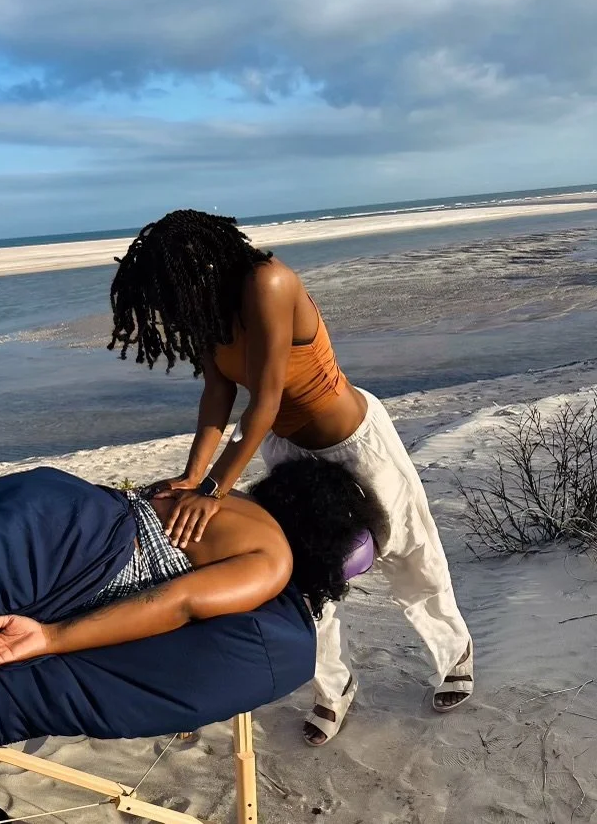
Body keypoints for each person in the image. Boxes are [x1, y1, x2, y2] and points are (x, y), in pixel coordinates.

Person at [108, 209, 474, 745]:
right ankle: (335, 688)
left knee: (408, 552)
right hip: (287, 449)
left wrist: (216, 490)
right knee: (304, 576)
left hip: (355, 441)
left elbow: (266, 397)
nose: (178, 299)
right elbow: (219, 394)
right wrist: (194, 476)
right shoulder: (208, 309)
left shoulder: (269, 281)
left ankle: (453, 652)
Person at [0, 458, 379, 666]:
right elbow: (178, 602)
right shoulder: (272, 562)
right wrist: (51, 637)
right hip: (72, 555)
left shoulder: (224, 494)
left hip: (61, 494)